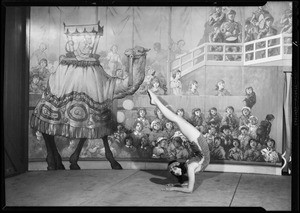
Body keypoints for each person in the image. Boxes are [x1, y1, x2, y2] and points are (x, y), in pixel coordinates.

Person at [147, 89, 210, 193]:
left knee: (177, 120)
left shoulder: (187, 165)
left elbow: (186, 185)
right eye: (175, 171)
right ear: (180, 173)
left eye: (172, 170)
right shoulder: (190, 168)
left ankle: (156, 102)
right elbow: (190, 189)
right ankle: (156, 101)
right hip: (200, 144)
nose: (174, 169)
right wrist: (173, 188)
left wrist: (176, 184)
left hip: (197, 145)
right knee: (177, 119)